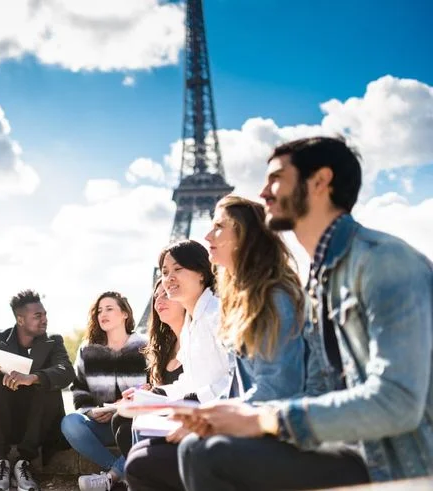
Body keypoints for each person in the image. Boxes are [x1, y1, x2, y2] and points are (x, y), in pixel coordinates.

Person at [177, 136, 433, 490]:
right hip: (347, 448)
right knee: (198, 447)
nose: (264, 192)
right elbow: (315, 387)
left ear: (320, 182)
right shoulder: (319, 279)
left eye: (276, 178)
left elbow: (399, 402)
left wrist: (265, 419)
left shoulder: (383, 262)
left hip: (400, 464)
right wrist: (236, 415)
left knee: (210, 455)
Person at [126, 199, 307, 491]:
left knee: (144, 461)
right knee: (143, 447)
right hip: (246, 418)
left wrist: (206, 417)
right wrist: (160, 396)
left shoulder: (266, 301)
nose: (207, 237)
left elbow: (273, 387)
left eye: (218, 227)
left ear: (244, 237)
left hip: (271, 431)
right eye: (164, 272)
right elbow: (237, 381)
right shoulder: (245, 301)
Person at [0, 290, 75, 491]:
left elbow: (65, 372)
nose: (45, 320)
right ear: (20, 320)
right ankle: (1, 463)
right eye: (38, 316)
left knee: (46, 382)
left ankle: (24, 463)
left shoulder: (54, 342)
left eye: (45, 314)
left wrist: (33, 378)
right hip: (1, 422)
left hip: (37, 425)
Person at [61, 291, 148, 491]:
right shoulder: (87, 349)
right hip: (102, 424)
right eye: (99, 310)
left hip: (134, 424)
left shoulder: (144, 346)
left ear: (125, 313)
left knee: (144, 430)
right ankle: (118, 472)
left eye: (109, 308)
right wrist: (91, 411)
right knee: (70, 423)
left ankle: (110, 477)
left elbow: (153, 386)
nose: (103, 314)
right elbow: (79, 389)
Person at [111, 279, 186, 458]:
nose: (159, 300)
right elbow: (160, 388)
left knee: (130, 423)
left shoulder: (196, 339)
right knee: (120, 420)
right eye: (156, 296)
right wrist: (145, 391)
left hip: (184, 414)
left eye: (166, 294)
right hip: (164, 411)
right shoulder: (164, 347)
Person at [160, 240, 231, 402]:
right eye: (164, 272)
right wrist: (158, 393)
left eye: (177, 269)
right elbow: (191, 381)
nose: (169, 278)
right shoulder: (188, 325)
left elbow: (239, 375)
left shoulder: (218, 314)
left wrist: (197, 398)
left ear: (201, 273)